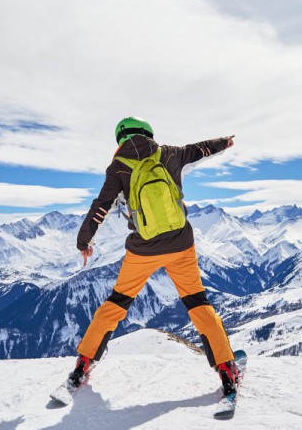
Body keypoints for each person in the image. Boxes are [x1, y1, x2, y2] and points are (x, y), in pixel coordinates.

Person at [67, 116, 238, 397]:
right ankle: (227, 368)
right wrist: (225, 142)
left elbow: (101, 206)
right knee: (198, 303)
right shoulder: (170, 153)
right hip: (181, 243)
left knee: (116, 304)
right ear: (148, 134)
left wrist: (84, 242)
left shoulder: (118, 167)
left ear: (120, 139)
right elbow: (201, 149)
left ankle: (84, 362)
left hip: (142, 249)